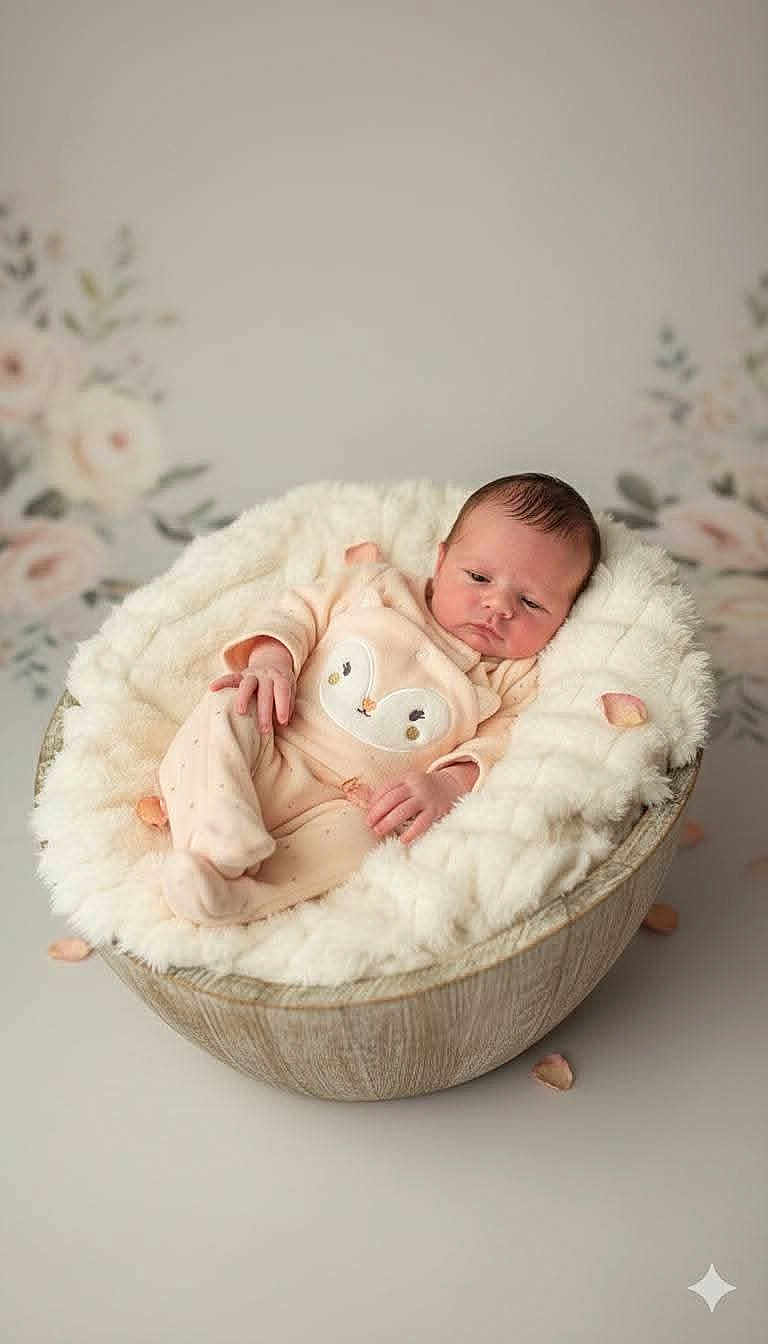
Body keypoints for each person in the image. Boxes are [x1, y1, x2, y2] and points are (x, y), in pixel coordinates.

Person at [143, 473, 601, 926]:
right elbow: (298, 612)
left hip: (351, 804)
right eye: (479, 576)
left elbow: (502, 743)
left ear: (565, 615)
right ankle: (218, 828)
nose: (498, 606)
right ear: (440, 562)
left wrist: (447, 785)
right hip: (273, 736)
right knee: (228, 705)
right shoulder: (377, 586)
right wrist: (272, 660)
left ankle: (231, 896)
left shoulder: (512, 678)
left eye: (532, 603)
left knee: (364, 842)